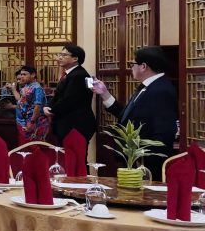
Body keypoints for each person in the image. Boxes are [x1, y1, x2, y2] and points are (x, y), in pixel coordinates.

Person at [92, 45, 178, 181]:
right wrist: (105, 94)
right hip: (134, 159)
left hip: (146, 163)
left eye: (133, 64)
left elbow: (164, 132)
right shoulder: (147, 86)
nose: (131, 67)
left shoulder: (161, 90)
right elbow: (128, 117)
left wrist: (143, 159)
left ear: (143, 66)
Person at [44, 44, 96, 146]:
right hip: (69, 123)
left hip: (76, 125)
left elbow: (68, 100)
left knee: (75, 158)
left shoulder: (79, 75)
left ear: (75, 58)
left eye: (64, 55)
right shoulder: (72, 74)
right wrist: (47, 106)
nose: (59, 58)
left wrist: (51, 110)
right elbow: (58, 95)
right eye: (60, 54)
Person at [6, 65, 50, 143]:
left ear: (33, 75)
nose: (22, 76)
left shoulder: (37, 88)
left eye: (25, 74)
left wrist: (32, 121)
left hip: (34, 121)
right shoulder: (26, 86)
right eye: (21, 74)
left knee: (33, 145)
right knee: (24, 145)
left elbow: (37, 106)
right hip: (23, 120)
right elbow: (21, 101)